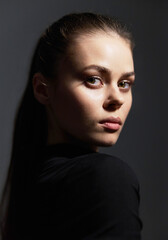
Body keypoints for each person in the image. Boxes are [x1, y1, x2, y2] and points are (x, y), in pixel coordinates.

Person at [0, 12, 143, 239]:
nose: (117, 98)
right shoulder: (106, 177)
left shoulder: (30, 190)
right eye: (93, 79)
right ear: (42, 89)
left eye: (125, 83)